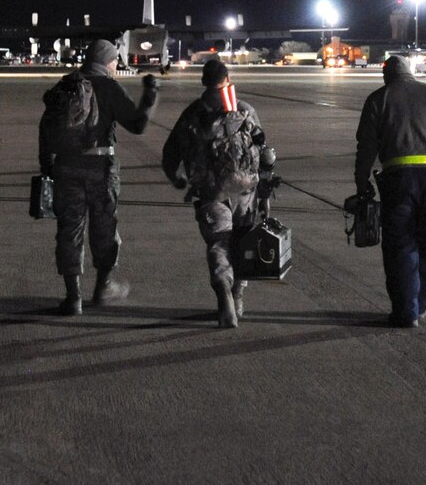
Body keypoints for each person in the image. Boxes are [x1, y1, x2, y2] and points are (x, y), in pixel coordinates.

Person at [38, 39, 158, 315]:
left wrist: (46, 166)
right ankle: (103, 288)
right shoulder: (109, 86)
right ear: (106, 60)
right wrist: (150, 95)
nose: (116, 65)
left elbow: (45, 128)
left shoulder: (65, 85)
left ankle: (73, 297)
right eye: (115, 60)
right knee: (104, 229)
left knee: (70, 231)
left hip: (65, 168)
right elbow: (137, 125)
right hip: (101, 169)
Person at [354, 55, 426, 328]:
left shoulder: (377, 99)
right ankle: (422, 304)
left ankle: (406, 311)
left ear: (387, 74)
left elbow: (367, 147)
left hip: (398, 180)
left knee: (400, 245)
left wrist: (362, 182)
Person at [162, 59, 265, 328]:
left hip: (209, 192)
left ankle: (222, 287)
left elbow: (169, 155)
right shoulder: (243, 110)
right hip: (244, 190)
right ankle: (238, 297)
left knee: (219, 243)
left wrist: (178, 181)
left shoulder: (191, 114)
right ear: (227, 78)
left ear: (203, 82)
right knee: (243, 242)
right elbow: (263, 151)